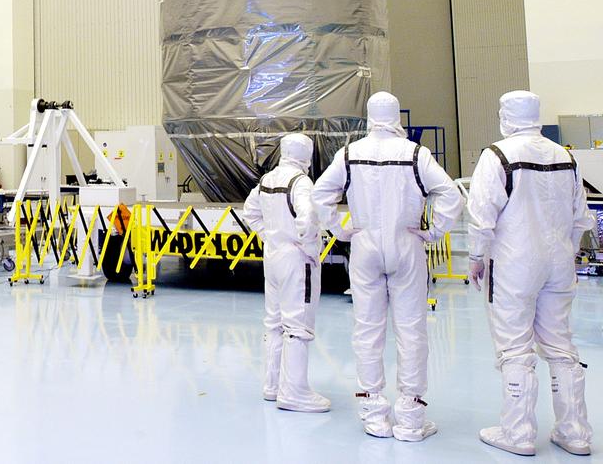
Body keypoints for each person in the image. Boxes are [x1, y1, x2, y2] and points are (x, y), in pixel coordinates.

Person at [312, 91, 463, 441]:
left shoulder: (349, 153)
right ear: (397, 117)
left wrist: (339, 227)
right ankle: (410, 418)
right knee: (411, 330)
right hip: (407, 243)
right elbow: (450, 194)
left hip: (364, 244)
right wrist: (434, 229)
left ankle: (373, 414)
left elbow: (320, 194)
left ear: (369, 116)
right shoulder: (415, 154)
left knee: (367, 329)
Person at [467, 90, 594, 456]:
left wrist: (476, 257)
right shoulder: (565, 156)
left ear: (506, 116)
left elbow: (481, 215)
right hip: (559, 261)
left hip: (514, 264)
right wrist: (566, 251)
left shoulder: (497, 156)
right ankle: (575, 432)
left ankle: (518, 433)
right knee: (560, 345)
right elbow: (581, 216)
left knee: (514, 347)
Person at [242, 133, 330, 413]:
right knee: (298, 325)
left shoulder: (267, 180)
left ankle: (273, 384)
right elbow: (308, 217)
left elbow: (250, 212)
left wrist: (269, 235)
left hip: (273, 256)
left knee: (274, 322)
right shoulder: (301, 183)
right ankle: (295, 392)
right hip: (296, 260)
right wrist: (307, 245)